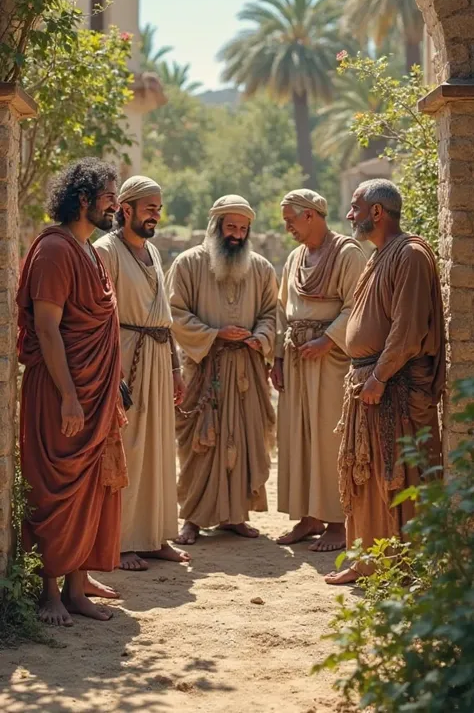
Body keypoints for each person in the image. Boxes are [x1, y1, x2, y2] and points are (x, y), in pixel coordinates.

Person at [17, 158, 128, 626]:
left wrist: (111, 384)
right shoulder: (55, 251)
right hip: (62, 393)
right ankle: (49, 593)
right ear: (82, 199)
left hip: (96, 392)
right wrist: (68, 395)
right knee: (55, 487)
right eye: (108, 197)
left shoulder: (90, 252)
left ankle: (78, 588)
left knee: (94, 487)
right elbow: (47, 327)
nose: (115, 206)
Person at [325, 179, 445, 585]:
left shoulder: (409, 255)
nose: (349, 215)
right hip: (370, 384)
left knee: (397, 477)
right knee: (367, 478)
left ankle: (398, 567)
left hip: (391, 386)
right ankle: (366, 563)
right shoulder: (380, 256)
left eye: (355, 206)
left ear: (377, 212)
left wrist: (377, 377)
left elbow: (407, 331)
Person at [165, 194, 278, 544]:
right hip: (203, 368)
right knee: (200, 445)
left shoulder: (260, 268)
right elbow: (175, 314)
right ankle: (193, 519)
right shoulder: (187, 264)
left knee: (245, 441)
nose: (237, 235)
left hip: (246, 369)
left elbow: (272, 313)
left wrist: (260, 337)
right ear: (216, 225)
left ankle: (235, 516)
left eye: (243, 229)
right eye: (231, 226)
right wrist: (213, 334)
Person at [95, 176, 190, 571]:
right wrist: (111, 373)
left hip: (157, 357)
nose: (156, 215)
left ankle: (154, 537)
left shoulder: (153, 252)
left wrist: (175, 369)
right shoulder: (106, 251)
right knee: (129, 448)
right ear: (126, 209)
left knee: (158, 451)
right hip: (125, 358)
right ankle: (122, 541)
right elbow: (100, 319)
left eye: (159, 208)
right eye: (150, 207)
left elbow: (163, 321)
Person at [272, 189, 366, 552]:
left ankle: (338, 521)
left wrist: (327, 340)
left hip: (332, 360)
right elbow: (283, 310)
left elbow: (356, 305)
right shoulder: (295, 258)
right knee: (299, 437)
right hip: (297, 359)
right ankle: (308, 516)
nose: (288, 228)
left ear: (310, 215)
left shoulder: (347, 253)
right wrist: (278, 358)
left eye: (290, 220)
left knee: (330, 439)